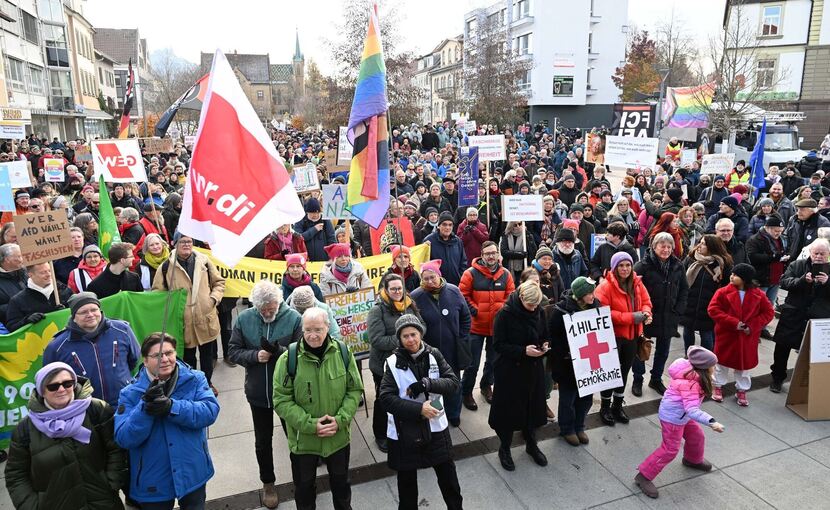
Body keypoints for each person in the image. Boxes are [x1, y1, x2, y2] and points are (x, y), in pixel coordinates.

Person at [114, 332, 220, 510]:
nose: (165, 359)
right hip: (152, 479)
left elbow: (210, 411)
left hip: (192, 471)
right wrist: (144, 407)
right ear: (145, 360)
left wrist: (172, 407)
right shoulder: (129, 393)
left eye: (169, 353)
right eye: (157, 355)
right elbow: (124, 437)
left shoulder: (195, 379)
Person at [272, 307, 364, 510]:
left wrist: (340, 420)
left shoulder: (342, 352)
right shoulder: (288, 360)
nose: (312, 335)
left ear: (327, 328)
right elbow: (281, 400)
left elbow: (354, 389)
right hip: (303, 441)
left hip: (337, 438)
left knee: (341, 486)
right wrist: (310, 425)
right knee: (304, 489)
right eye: (307, 330)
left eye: (318, 330)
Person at [4, 362, 127, 509]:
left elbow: (116, 449)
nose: (61, 389)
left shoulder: (96, 410)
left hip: (103, 502)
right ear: (42, 390)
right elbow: (16, 475)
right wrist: (32, 506)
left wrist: (112, 482)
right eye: (53, 386)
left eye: (67, 383)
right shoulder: (25, 428)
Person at [228, 280, 302, 509]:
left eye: (272, 308)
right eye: (264, 310)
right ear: (256, 306)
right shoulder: (244, 319)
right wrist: (254, 356)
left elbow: (301, 354)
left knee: (296, 440)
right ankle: (268, 483)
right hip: (258, 392)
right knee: (262, 441)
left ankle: (302, 480)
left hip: (287, 392)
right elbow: (232, 351)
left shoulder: (294, 318)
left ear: (278, 302)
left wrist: (277, 352)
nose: (269, 312)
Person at [379, 314, 464, 510]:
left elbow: (453, 383)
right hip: (404, 429)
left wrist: (428, 383)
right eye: (405, 336)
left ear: (421, 334)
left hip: (436, 426)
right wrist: (419, 410)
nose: (410, 340)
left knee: (449, 479)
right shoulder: (391, 362)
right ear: (399, 339)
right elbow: (386, 398)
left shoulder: (434, 354)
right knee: (407, 486)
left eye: (414, 334)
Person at [634, 347, 724, 499]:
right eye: (713, 365)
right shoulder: (690, 384)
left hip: (681, 416)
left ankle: (692, 459)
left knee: (696, 436)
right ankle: (643, 476)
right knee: (670, 449)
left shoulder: (693, 375)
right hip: (673, 419)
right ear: (704, 367)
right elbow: (692, 409)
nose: (714, 368)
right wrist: (711, 421)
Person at [152, 234, 226, 395]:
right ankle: (192, 385)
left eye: (189, 241)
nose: (186, 244)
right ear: (174, 243)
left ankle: (207, 384)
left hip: (205, 317)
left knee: (207, 356)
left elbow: (219, 282)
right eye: (182, 241)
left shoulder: (204, 260)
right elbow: (158, 293)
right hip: (182, 322)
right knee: (188, 358)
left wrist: (213, 300)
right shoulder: (165, 267)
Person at [489, 281, 550, 471]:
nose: (533, 308)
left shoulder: (539, 311)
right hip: (510, 370)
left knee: (532, 407)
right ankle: (504, 448)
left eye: (536, 305)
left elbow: (545, 334)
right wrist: (523, 351)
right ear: (521, 298)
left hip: (533, 368)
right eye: (530, 305)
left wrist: (544, 345)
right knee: (509, 411)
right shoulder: (504, 314)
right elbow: (498, 345)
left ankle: (532, 444)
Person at [43, 291, 140, 406]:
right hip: (86, 409)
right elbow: (50, 380)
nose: (90, 314)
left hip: (124, 403)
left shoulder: (122, 330)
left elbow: (134, 359)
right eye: (83, 312)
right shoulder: (57, 346)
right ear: (74, 317)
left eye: (94, 309)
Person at [594, 252, 653, 426]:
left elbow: (647, 301)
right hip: (613, 337)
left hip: (632, 337)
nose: (625, 269)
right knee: (611, 373)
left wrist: (646, 313)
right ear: (614, 267)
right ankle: (605, 406)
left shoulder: (637, 282)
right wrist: (631, 317)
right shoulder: (604, 287)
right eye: (621, 266)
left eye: (628, 265)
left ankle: (617, 405)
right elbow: (603, 312)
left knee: (624, 371)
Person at [411, 260, 471, 427]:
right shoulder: (416, 296)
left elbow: (466, 317)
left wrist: (461, 336)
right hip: (429, 351)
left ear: (439, 275)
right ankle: (437, 410)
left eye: (433, 277)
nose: (430, 281)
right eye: (426, 279)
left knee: (453, 382)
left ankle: (453, 413)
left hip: (452, 348)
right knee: (434, 383)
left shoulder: (453, 291)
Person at [367, 273, 423, 452]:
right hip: (384, 364)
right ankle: (381, 434)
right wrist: (405, 339)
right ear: (385, 289)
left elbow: (422, 325)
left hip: (408, 362)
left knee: (406, 396)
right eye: (393, 289)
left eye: (400, 288)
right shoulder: (377, 310)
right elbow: (376, 340)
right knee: (384, 400)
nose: (397, 292)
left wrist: (416, 335)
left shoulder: (409, 304)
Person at [458, 240, 515, 411]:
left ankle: (485, 386)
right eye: (487, 253)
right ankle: (466, 391)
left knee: (493, 361)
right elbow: (463, 295)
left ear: (498, 255)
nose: (491, 256)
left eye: (494, 253)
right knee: (472, 363)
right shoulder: (470, 274)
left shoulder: (506, 274)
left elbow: (511, 295)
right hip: (476, 327)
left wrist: (502, 312)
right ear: (482, 255)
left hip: (497, 328)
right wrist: (475, 311)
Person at [707, 263, 774, 406]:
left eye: (735, 275)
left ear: (745, 279)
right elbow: (713, 309)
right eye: (732, 273)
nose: (731, 276)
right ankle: (717, 386)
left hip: (747, 337)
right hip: (727, 335)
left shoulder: (759, 295)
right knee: (721, 364)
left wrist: (752, 326)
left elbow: (768, 312)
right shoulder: (723, 292)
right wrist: (733, 322)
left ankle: (742, 389)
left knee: (743, 367)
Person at [632, 233, 689, 396]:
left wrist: (679, 310)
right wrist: (641, 312)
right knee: (641, 348)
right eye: (662, 246)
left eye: (669, 247)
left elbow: (684, 289)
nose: (665, 250)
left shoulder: (678, 265)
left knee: (663, 350)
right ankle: (638, 379)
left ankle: (656, 378)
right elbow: (633, 291)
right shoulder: (642, 266)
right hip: (648, 315)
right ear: (654, 247)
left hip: (669, 315)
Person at [770, 239, 830, 392]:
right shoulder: (797, 265)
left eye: (822, 254)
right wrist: (803, 280)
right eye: (816, 253)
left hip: (818, 319)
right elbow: (784, 282)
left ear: (828, 254)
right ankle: (777, 378)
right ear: (810, 252)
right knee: (782, 349)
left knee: (813, 353)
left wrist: (827, 283)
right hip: (793, 314)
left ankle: (807, 383)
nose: (818, 256)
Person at [547, 276, 599, 446]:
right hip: (568, 364)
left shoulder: (596, 307)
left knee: (586, 398)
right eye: (589, 293)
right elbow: (554, 339)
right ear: (580, 294)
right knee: (568, 399)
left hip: (589, 363)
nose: (593, 296)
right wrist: (567, 352)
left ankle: (580, 425)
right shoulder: (560, 311)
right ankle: (567, 428)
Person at [681, 235, 733, 352]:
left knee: (707, 334)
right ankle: (688, 356)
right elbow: (681, 278)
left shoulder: (722, 264)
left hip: (709, 306)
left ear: (712, 247)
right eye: (700, 242)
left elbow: (727, 287)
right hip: (690, 303)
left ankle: (706, 361)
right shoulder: (691, 259)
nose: (700, 245)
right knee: (688, 331)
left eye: (703, 243)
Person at [745, 215, 787, 338]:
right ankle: (752, 328)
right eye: (776, 231)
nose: (778, 233)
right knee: (756, 306)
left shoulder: (781, 239)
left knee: (769, 305)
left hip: (775, 278)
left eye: (780, 231)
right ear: (767, 228)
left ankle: (762, 328)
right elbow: (752, 257)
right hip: (761, 279)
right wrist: (773, 257)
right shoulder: (755, 240)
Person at [5, 262, 73, 331]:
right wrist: (26, 321)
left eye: (49, 271)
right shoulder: (18, 300)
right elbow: (12, 327)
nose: (48, 274)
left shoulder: (64, 291)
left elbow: (78, 313)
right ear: (30, 275)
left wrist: (66, 311)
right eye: (43, 272)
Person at [424, 211, 468, 286]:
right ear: (438, 226)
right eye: (444, 224)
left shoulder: (457, 241)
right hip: (436, 285)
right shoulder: (429, 241)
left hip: (456, 284)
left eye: (450, 225)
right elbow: (425, 263)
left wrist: (460, 276)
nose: (447, 228)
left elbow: (463, 262)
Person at [0, 243, 26, 325]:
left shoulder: (27, 272)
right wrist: (18, 307)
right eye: (18, 257)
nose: (22, 260)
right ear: (7, 259)